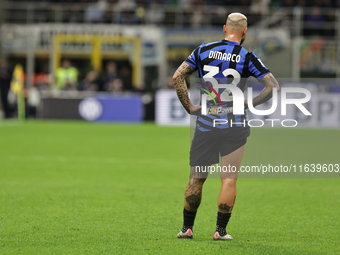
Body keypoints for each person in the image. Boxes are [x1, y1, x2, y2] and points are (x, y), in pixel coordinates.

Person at [173, 12, 280, 240]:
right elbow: (272, 86)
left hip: (205, 123)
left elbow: (177, 77)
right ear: (245, 32)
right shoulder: (247, 57)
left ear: (224, 29)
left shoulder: (202, 50)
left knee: (196, 178)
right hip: (234, 124)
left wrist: (190, 107)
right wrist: (249, 104)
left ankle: (186, 229)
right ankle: (220, 232)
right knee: (229, 178)